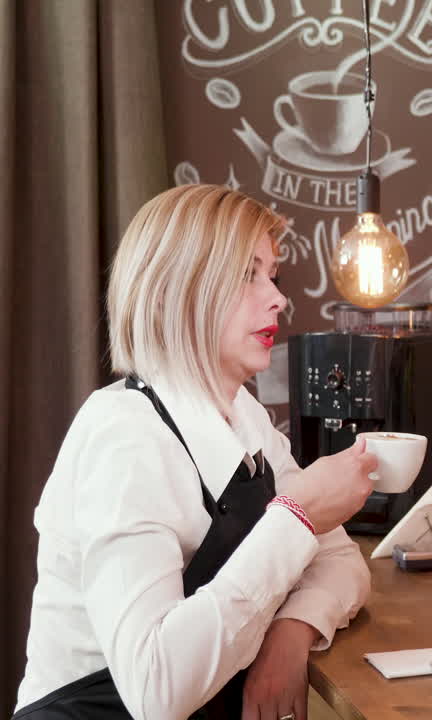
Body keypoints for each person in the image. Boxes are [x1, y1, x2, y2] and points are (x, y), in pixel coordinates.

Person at [13, 185, 377, 720]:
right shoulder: (123, 438)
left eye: (272, 274)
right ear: (169, 293)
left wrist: (291, 631)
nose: (276, 297)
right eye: (245, 274)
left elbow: (343, 563)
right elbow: (156, 692)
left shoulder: (243, 416)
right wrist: (296, 518)